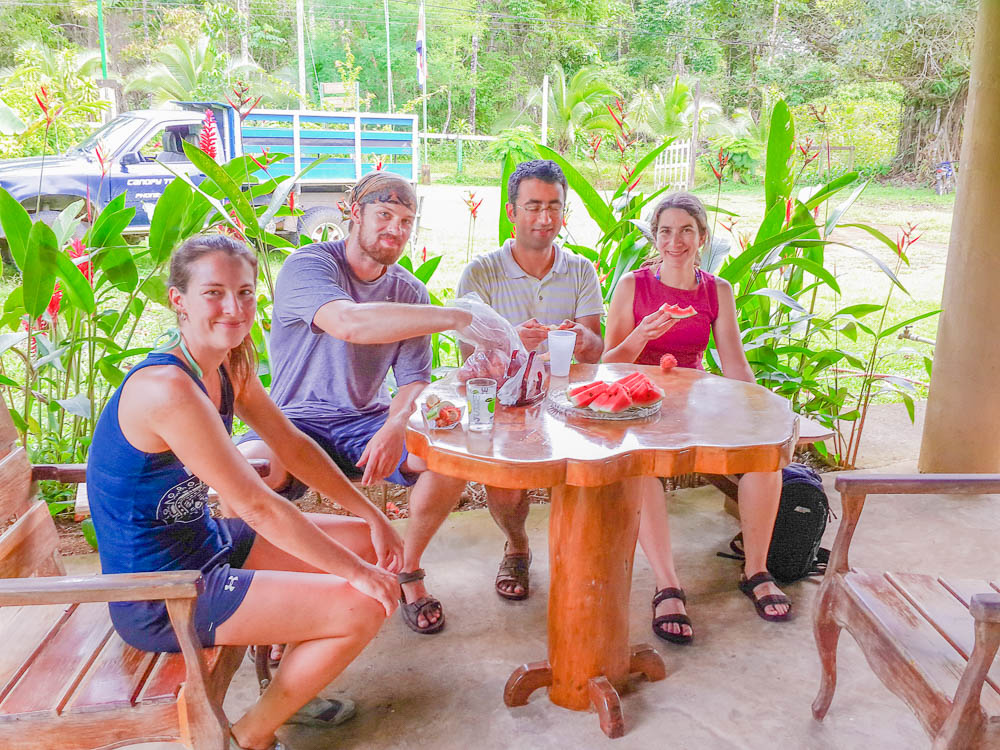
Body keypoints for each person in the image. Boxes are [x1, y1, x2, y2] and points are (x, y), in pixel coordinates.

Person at [86, 235, 405, 750]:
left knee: (364, 543)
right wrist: (359, 576)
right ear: (178, 301)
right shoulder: (167, 389)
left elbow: (293, 447)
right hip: (162, 595)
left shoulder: (227, 365)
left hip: (206, 544)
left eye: (246, 293)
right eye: (213, 293)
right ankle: (249, 736)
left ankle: (292, 685)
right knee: (363, 605)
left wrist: (372, 515)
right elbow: (259, 506)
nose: (233, 308)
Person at [239, 171, 472, 635]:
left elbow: (412, 380)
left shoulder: (409, 293)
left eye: (406, 221)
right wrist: (458, 317)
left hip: (365, 420)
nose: (395, 229)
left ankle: (406, 566)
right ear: (354, 213)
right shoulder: (309, 265)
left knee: (449, 459)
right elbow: (348, 322)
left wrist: (394, 424)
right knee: (248, 470)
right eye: (384, 214)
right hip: (292, 418)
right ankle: (278, 588)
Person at [603, 191, 792, 644]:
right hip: (639, 400)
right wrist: (643, 334)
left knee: (765, 461)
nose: (675, 241)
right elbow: (608, 364)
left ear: (702, 237)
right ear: (655, 237)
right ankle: (668, 585)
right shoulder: (632, 285)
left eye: (686, 230)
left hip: (698, 401)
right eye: (665, 231)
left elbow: (734, 363)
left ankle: (756, 569)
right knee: (640, 469)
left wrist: (762, 409)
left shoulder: (716, 290)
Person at [456, 159, 604, 600]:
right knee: (503, 477)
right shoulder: (480, 273)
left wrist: (581, 338)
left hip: (571, 399)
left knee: (599, 467)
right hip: (506, 402)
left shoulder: (580, 270)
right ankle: (518, 546)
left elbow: (597, 352)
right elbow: (471, 363)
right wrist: (509, 341)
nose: (545, 218)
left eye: (554, 207)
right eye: (533, 206)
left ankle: (582, 549)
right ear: (511, 212)